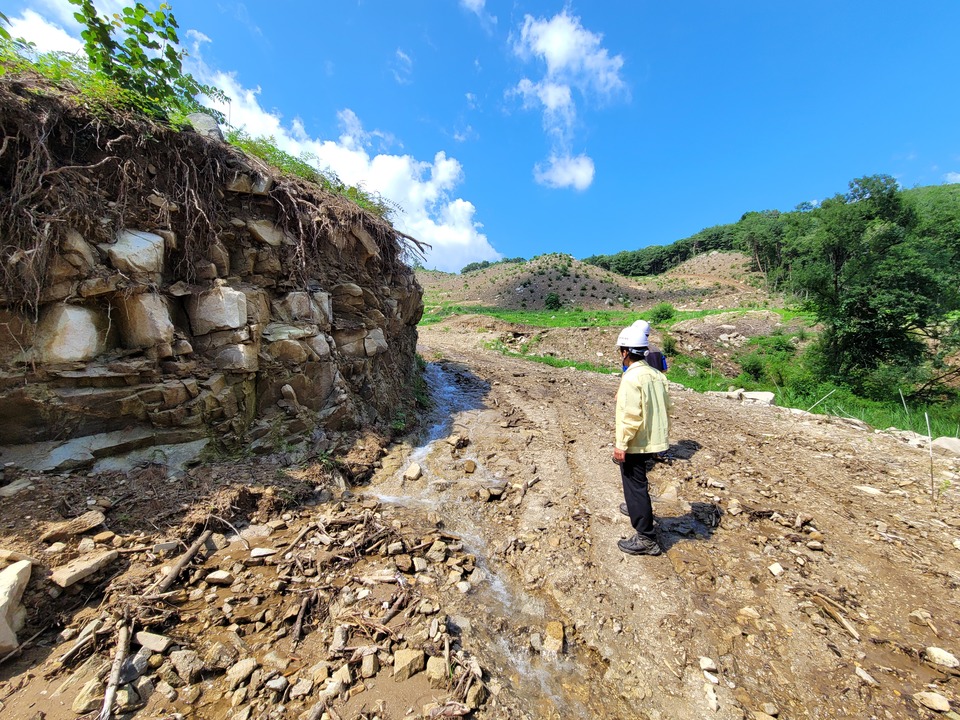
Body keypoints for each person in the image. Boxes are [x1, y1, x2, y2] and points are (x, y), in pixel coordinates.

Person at [613, 320, 672, 556]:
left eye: (621, 351)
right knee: (640, 484)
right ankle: (639, 512)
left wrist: (621, 445)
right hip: (653, 440)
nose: (620, 355)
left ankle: (646, 537)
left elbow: (630, 416)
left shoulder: (631, 378)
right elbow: (667, 408)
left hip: (636, 442)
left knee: (634, 486)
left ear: (626, 352)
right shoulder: (656, 375)